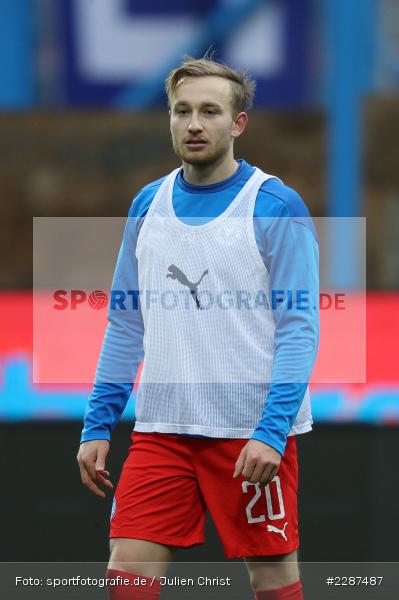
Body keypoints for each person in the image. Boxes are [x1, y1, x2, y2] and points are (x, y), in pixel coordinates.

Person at [77, 56, 319, 600]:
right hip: (163, 430)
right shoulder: (148, 204)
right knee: (127, 573)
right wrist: (98, 423)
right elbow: (125, 321)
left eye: (210, 111)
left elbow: (299, 328)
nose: (193, 123)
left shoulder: (275, 205)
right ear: (168, 118)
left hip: (249, 432)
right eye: (182, 110)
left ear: (238, 124)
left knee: (274, 581)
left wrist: (271, 432)